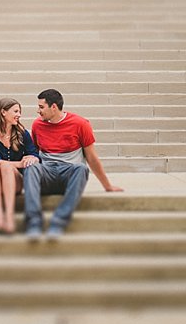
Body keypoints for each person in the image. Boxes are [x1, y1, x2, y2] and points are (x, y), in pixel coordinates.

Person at [23, 88, 123, 241]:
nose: (38, 111)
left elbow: (91, 157)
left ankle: (58, 222)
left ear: (54, 107)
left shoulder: (80, 124)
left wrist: (107, 185)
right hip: (46, 174)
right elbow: (34, 152)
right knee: (31, 167)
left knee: (82, 168)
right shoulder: (37, 125)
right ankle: (34, 223)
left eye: (41, 107)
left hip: (69, 174)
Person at [0, 97, 40, 234]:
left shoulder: (22, 134)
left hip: (13, 180)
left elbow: (35, 155)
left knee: (6, 167)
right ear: (3, 112)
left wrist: (32, 157)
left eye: (19, 111)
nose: (19, 114)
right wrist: (20, 163)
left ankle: (9, 216)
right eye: (16, 111)